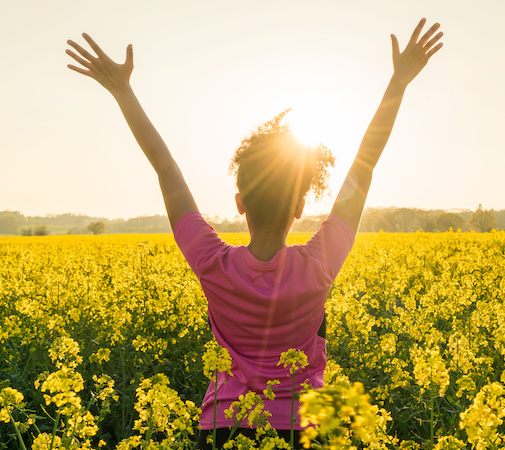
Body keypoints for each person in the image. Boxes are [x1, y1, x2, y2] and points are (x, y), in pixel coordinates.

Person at [66, 18, 443, 449]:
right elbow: (365, 164)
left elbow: (165, 169)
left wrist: (122, 91)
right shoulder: (318, 265)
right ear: (301, 208)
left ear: (239, 202)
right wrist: (399, 82)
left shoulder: (212, 263)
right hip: (304, 425)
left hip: (224, 424)